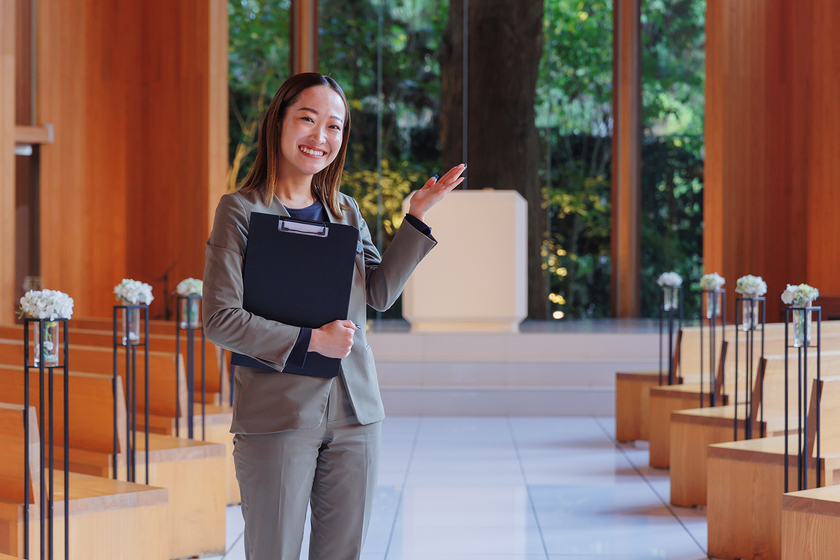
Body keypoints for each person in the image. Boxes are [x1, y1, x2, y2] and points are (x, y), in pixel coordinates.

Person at [202, 72, 465, 560]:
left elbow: (380, 293)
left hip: (356, 415)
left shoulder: (344, 211)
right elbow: (220, 319)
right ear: (278, 121)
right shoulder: (240, 211)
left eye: (334, 127)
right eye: (307, 119)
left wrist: (418, 216)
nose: (320, 137)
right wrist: (309, 341)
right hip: (278, 415)